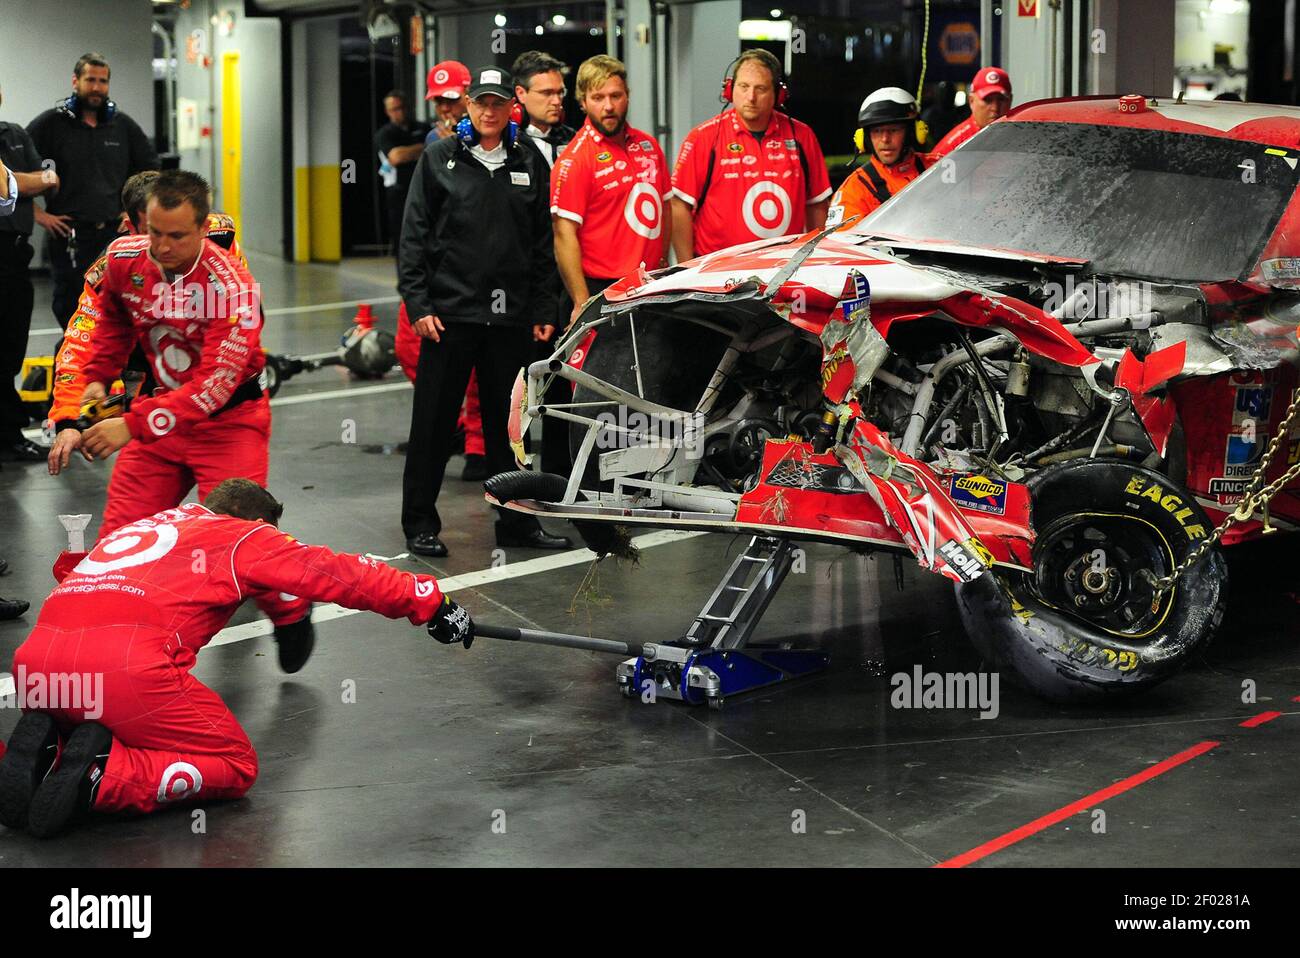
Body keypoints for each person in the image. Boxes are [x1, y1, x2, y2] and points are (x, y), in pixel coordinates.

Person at [0, 478, 475, 838]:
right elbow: (337, 572)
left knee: (99, 711)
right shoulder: (244, 536)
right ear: (257, 523)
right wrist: (430, 603)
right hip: (124, 673)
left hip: (37, 668)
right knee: (233, 762)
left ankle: (51, 749)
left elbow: (68, 570)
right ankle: (102, 778)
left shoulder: (145, 526)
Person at [44, 170, 270, 542]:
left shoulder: (232, 281)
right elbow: (88, 336)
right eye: (154, 233)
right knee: (119, 542)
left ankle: (290, 601)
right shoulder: (119, 259)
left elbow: (213, 385)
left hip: (229, 416)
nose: (164, 248)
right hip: (160, 403)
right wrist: (75, 409)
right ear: (130, 225)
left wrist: (131, 425)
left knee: (237, 545)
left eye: (178, 235)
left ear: (201, 226)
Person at [398, 65, 570, 557]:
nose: (490, 111)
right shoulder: (438, 160)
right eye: (481, 103)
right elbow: (412, 237)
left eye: (498, 103)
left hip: (511, 320)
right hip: (449, 317)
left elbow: (542, 243)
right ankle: (419, 525)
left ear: (510, 107)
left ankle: (516, 524)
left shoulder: (530, 161)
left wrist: (542, 306)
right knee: (432, 423)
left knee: (509, 429)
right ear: (468, 106)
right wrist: (419, 303)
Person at [27, 53, 158, 329]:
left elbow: (150, 172)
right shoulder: (50, 124)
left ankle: (110, 364)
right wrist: (38, 215)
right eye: (90, 80)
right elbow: (10, 174)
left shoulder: (122, 126)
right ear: (76, 81)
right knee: (71, 305)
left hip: (115, 234)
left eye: (103, 81)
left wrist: (132, 213)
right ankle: (74, 362)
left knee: (119, 304)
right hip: (69, 235)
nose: (97, 87)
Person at [670, 49, 831, 261]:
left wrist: (813, 260)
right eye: (743, 87)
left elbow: (817, 203)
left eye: (761, 89)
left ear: (778, 94)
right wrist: (686, 267)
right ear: (729, 89)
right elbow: (679, 205)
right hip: (716, 271)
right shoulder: (703, 137)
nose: (751, 97)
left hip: (784, 269)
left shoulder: (802, 136)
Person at [551, 55, 671, 329]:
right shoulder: (575, 159)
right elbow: (563, 234)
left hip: (649, 285)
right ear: (582, 102)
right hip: (602, 291)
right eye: (598, 97)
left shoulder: (649, 146)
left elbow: (665, 206)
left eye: (616, 96)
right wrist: (581, 301)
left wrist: (663, 264)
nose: (608, 106)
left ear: (627, 96)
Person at [1, 82, 60, 462]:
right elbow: (13, 184)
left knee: (10, 349)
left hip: (14, 256)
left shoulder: (15, 134)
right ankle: (10, 435)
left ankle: (7, 433)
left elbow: (48, 176)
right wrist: (28, 182)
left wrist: (28, 182)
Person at [826, 88, 934, 227]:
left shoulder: (939, 168)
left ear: (912, 133)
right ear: (865, 139)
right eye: (877, 131)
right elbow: (841, 245)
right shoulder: (854, 190)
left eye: (893, 130)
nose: (885, 139)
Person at [375, 90, 431, 252]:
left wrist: (410, 152)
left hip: (425, 187)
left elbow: (438, 146)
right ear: (387, 112)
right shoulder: (384, 134)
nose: (399, 112)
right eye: (394, 109)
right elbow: (396, 157)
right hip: (399, 192)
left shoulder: (422, 128)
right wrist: (425, 148)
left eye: (401, 107)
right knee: (404, 239)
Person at [512, 50, 576, 169]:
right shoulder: (505, 141)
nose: (557, 101)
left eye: (560, 93)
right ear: (521, 94)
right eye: (547, 93)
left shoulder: (573, 140)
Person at [931, 66, 1012, 157]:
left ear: (1010, 100)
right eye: (987, 100)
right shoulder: (951, 147)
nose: (995, 107)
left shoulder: (1018, 136)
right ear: (971, 101)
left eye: (1001, 99)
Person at [425, 60, 471, 141]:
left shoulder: (486, 130)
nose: (444, 108)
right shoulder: (434, 137)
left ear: (468, 96)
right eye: (439, 101)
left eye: (452, 99)